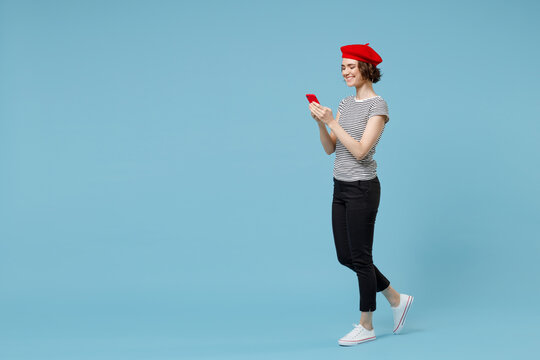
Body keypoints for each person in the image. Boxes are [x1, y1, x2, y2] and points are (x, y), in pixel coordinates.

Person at [308, 43, 414, 346]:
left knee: (361, 257)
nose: (345, 72)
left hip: (362, 188)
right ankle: (396, 298)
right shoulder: (344, 104)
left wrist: (331, 121)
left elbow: (360, 150)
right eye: (342, 67)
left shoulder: (377, 106)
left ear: (366, 69)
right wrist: (321, 123)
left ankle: (366, 324)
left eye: (350, 66)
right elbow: (331, 149)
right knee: (346, 256)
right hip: (340, 186)